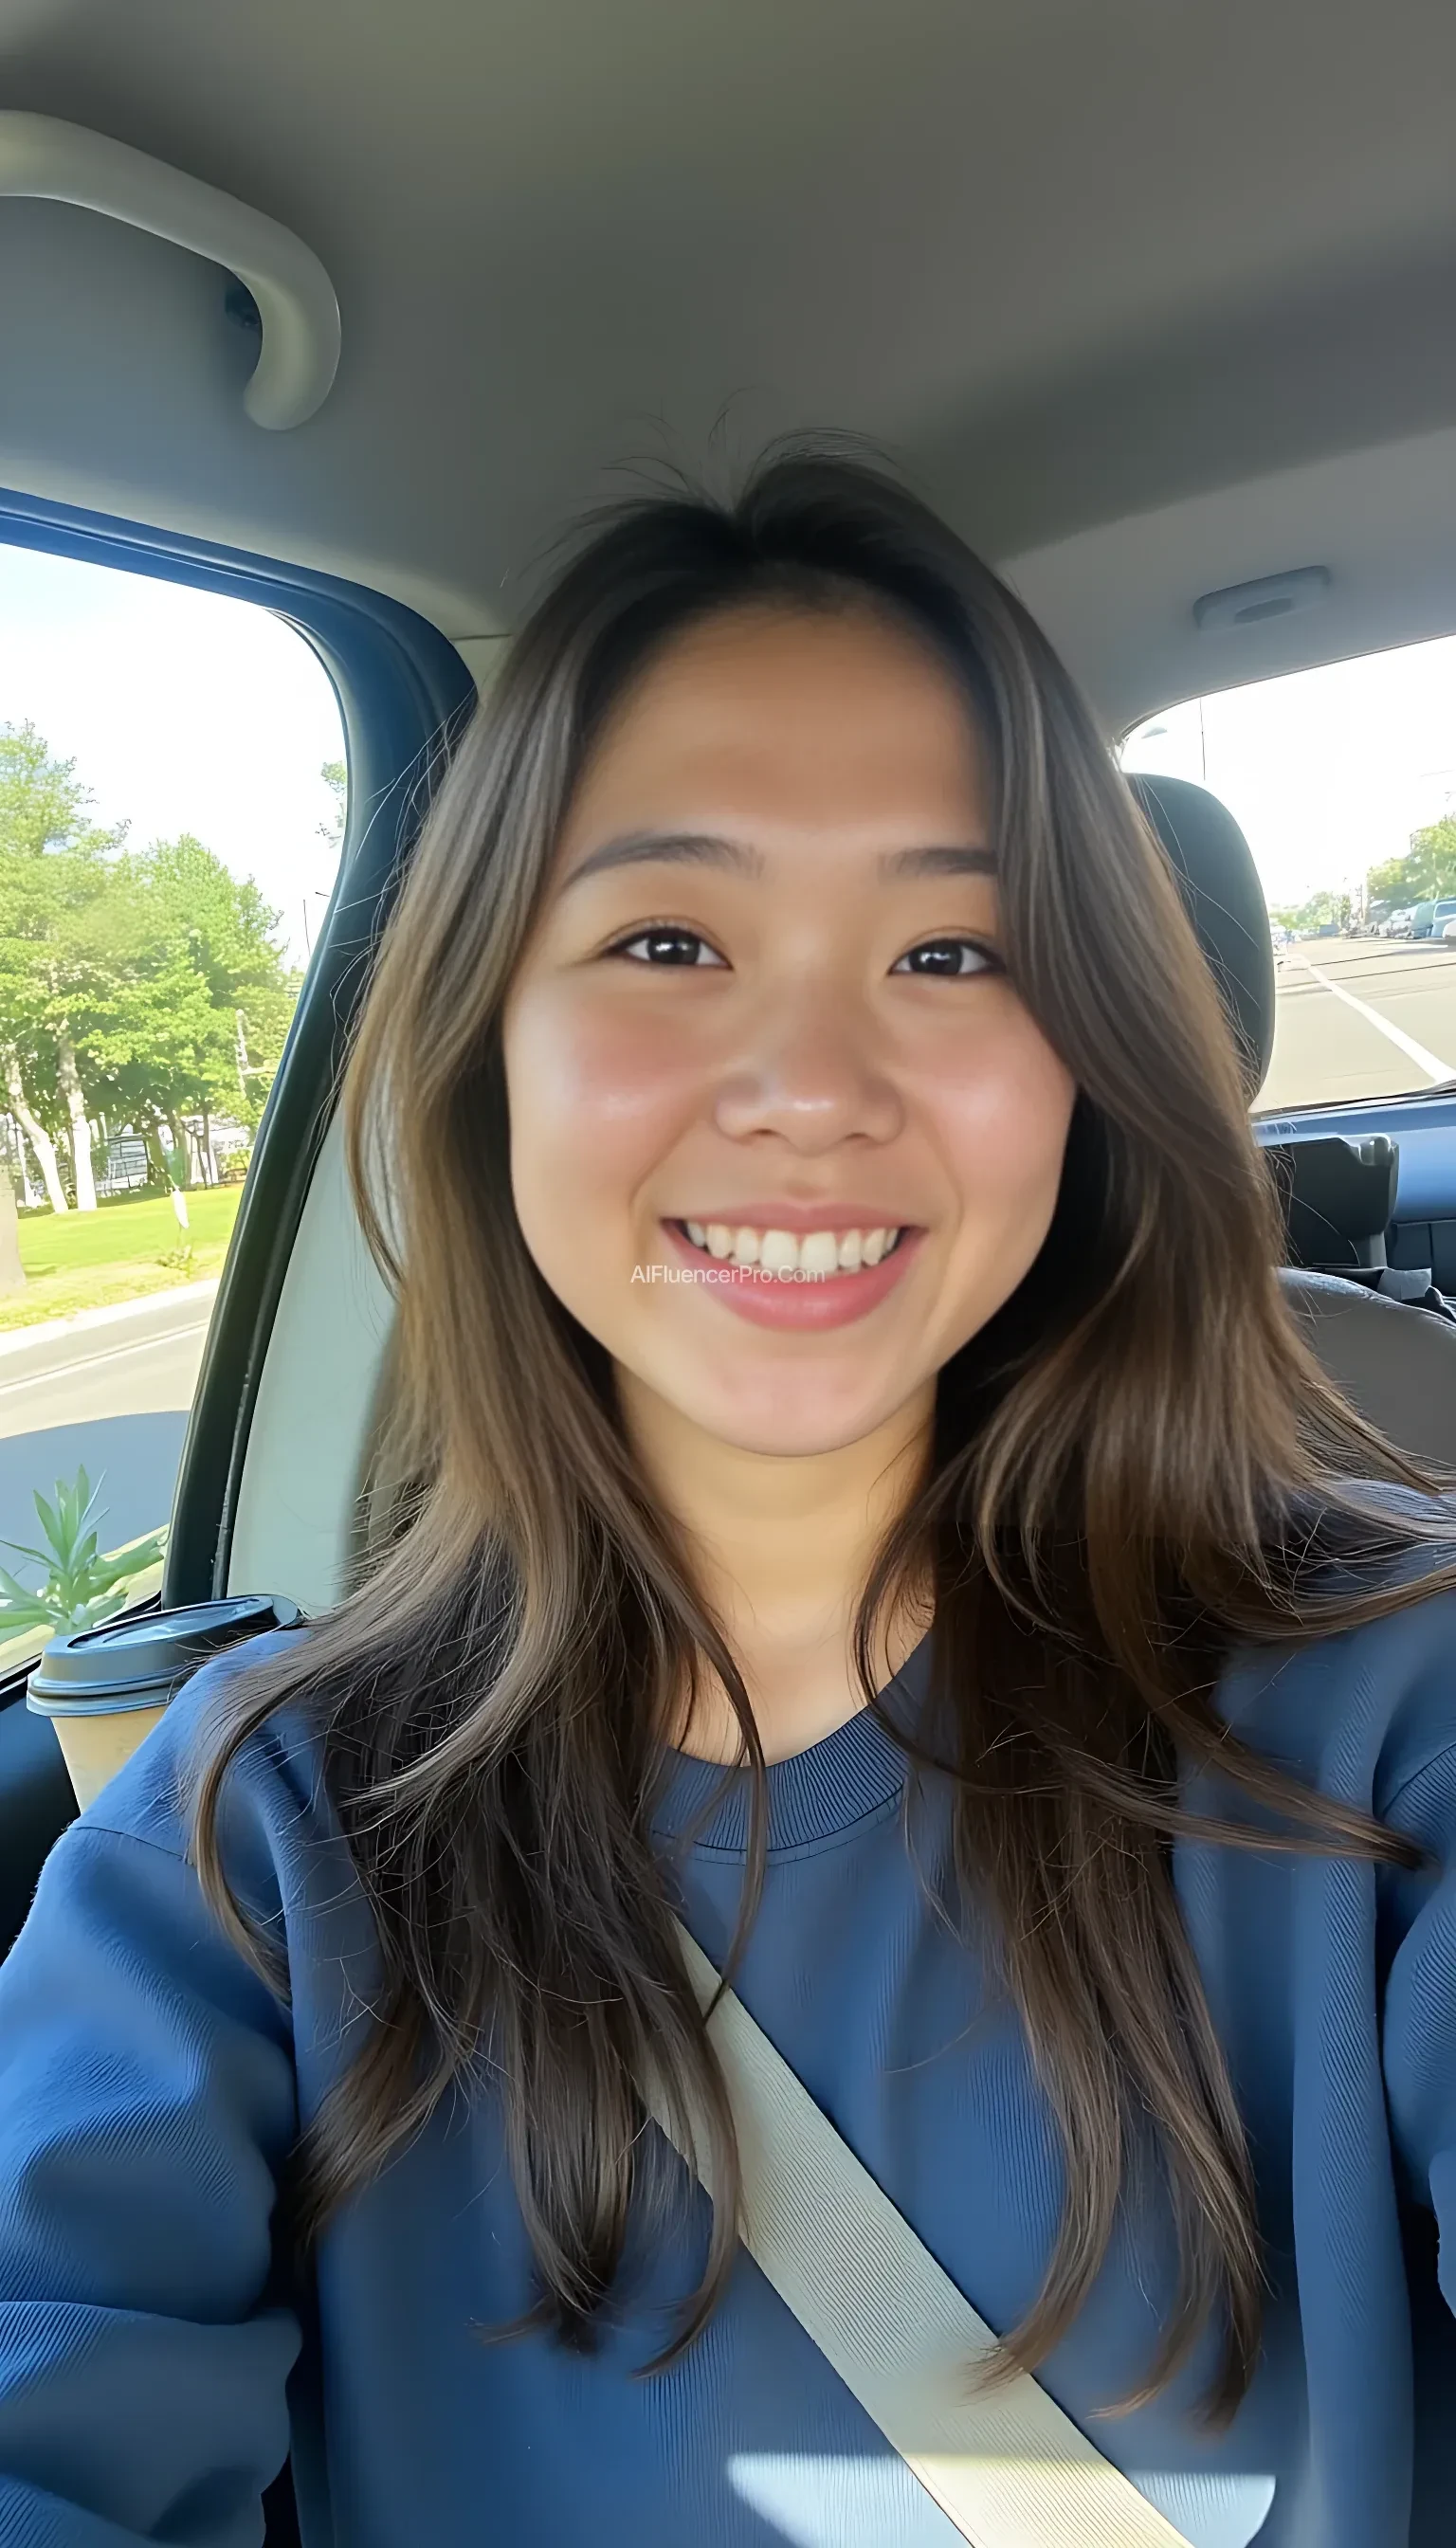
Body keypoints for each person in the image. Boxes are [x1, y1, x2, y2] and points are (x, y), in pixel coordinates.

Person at [2, 444, 1455, 2548]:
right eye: (671, 938)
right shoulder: (249, 1860)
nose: (809, 1088)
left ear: (1086, 1055)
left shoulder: (1390, 1711)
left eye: (952, 953)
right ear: (491, 1041)